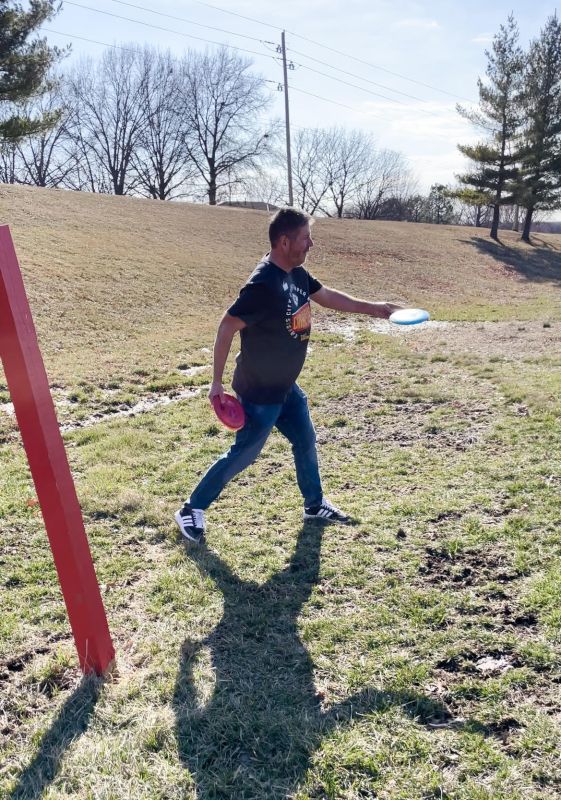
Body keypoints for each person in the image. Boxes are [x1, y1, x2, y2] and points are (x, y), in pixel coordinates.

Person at [175, 207, 401, 543]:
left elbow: (327, 297)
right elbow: (227, 326)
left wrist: (377, 308)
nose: (311, 244)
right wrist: (216, 382)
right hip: (260, 391)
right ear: (284, 241)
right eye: (305, 238)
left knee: (305, 439)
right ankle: (191, 509)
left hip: (285, 387)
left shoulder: (296, 274)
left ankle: (314, 504)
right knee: (245, 454)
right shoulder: (262, 285)